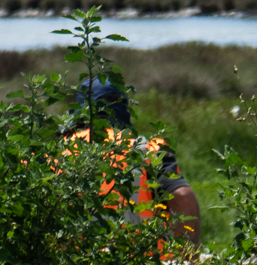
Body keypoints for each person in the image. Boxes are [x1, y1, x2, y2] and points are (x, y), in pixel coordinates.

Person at [67, 75, 204, 242]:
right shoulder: (148, 150)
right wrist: (189, 260)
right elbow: (182, 196)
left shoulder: (57, 155)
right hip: (143, 264)